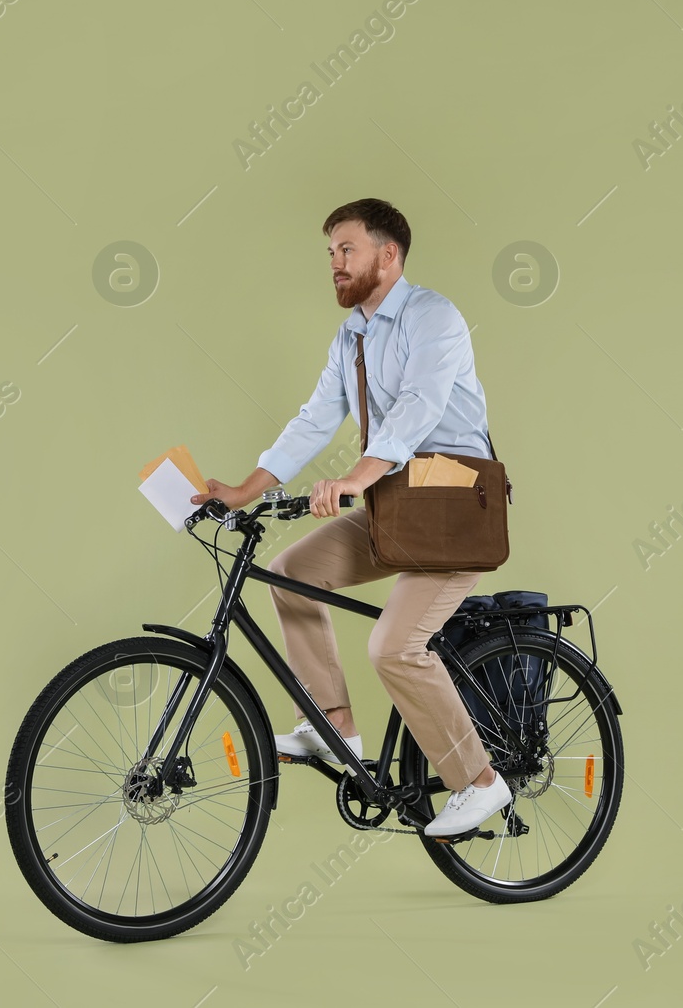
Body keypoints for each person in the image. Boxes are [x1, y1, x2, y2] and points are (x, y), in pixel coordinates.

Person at [189, 197, 512, 838]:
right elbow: (315, 417)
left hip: (455, 507)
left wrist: (356, 478)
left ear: (388, 256)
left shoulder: (434, 318)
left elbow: (419, 407)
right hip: (400, 504)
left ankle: (480, 782)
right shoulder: (353, 336)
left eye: (347, 250)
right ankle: (333, 725)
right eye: (331, 253)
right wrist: (244, 491)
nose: (335, 264)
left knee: (394, 646)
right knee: (290, 574)